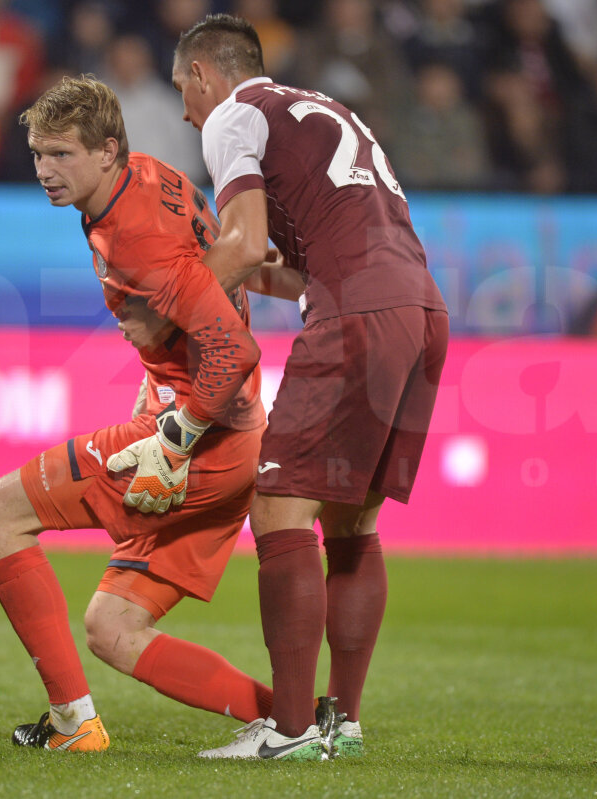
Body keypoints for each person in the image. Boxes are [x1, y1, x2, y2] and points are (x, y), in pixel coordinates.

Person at [171, 14, 449, 760]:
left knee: (277, 504)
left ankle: (289, 728)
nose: (185, 110)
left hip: (359, 313)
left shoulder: (235, 115)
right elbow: (294, 258)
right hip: (421, 310)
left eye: (183, 90)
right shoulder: (326, 110)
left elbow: (241, 239)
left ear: (205, 74)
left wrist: (172, 316)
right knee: (352, 522)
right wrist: (247, 271)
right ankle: (341, 723)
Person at [0, 74, 272, 753]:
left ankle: (72, 724)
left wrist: (175, 435)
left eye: (62, 155)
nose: (46, 171)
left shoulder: (136, 232)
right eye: (37, 154)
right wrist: (161, 380)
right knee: (113, 629)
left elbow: (233, 345)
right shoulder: (146, 178)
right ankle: (291, 719)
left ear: (107, 150)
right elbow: (205, 297)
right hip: (235, 438)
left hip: (202, 439)